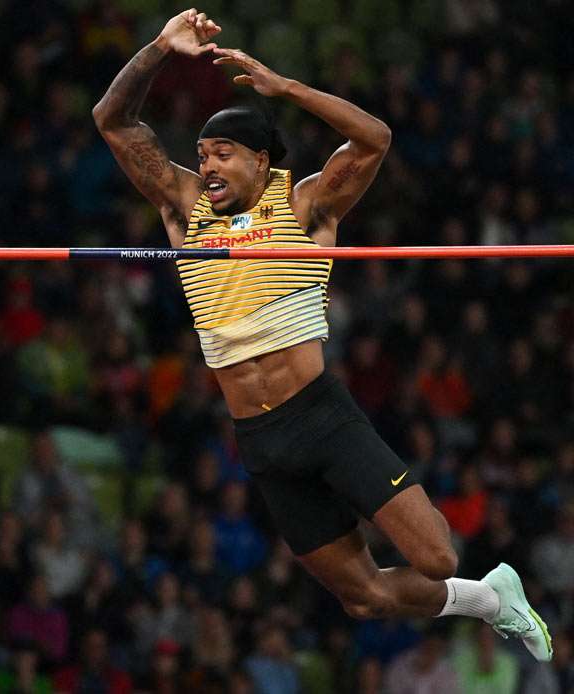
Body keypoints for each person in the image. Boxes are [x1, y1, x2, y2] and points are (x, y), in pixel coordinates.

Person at [92, 8, 550, 661]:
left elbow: (374, 139)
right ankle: (490, 599)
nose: (208, 165)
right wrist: (160, 48)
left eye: (222, 153)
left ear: (259, 158)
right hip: (259, 438)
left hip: (321, 417)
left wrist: (286, 89)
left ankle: (484, 587)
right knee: (363, 597)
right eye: (201, 155)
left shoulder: (306, 204)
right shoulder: (184, 207)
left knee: (435, 555)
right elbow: (112, 121)